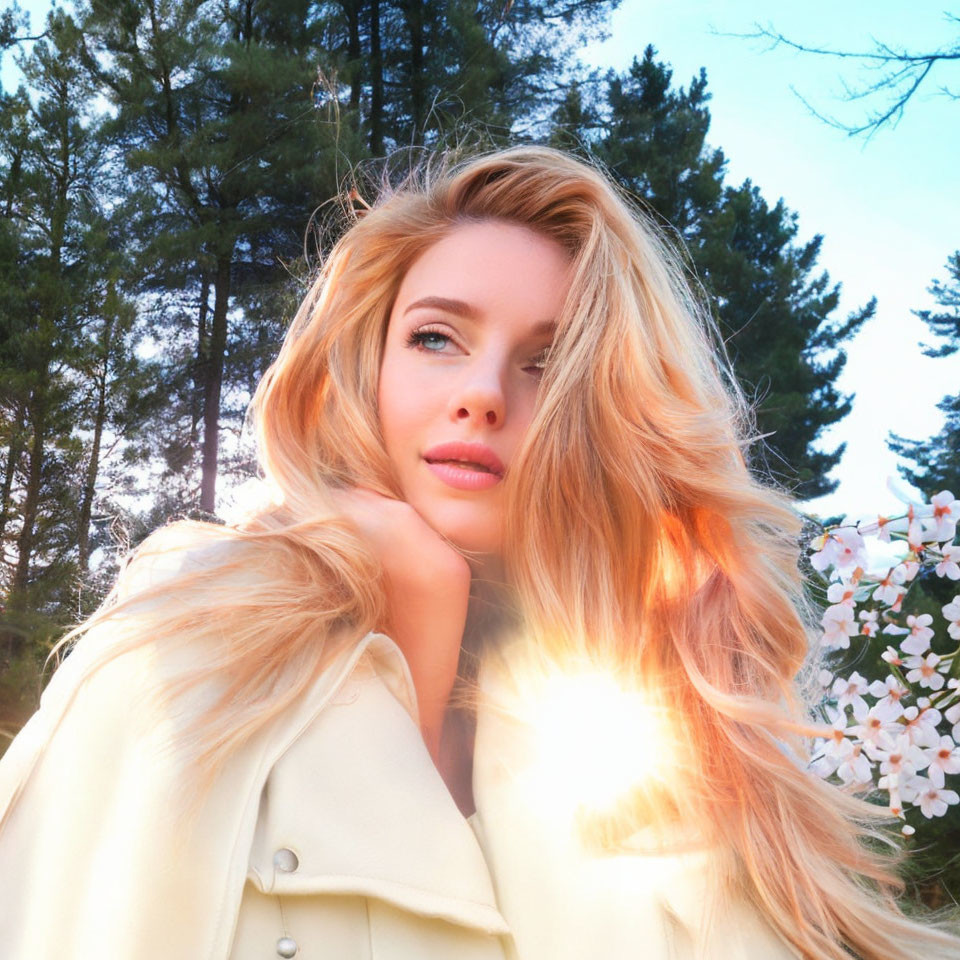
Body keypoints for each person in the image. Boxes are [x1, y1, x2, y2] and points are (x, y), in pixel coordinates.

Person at [0, 145, 957, 960]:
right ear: (363, 365)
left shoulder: (670, 750)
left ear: (607, 416)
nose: (485, 394)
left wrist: (430, 611)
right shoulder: (184, 639)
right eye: (435, 338)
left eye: (547, 361)